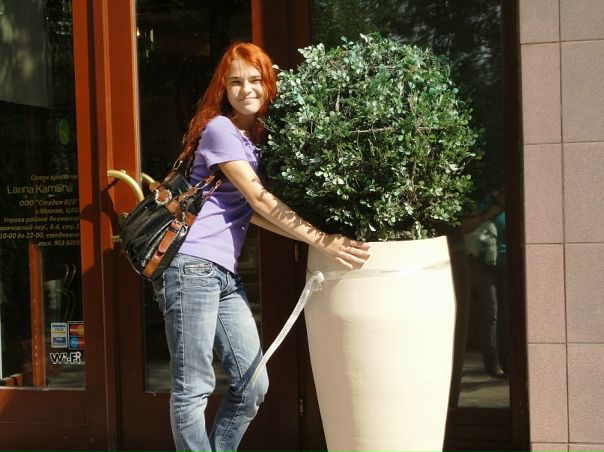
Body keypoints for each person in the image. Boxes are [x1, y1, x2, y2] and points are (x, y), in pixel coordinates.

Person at [152, 42, 370, 452]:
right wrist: (321, 239)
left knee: (252, 384)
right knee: (193, 386)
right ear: (223, 88)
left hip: (222, 272)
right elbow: (258, 198)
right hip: (191, 266)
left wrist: (313, 241)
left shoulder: (252, 139)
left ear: (269, 84)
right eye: (235, 82)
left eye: (255, 80)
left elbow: (251, 213)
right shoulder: (220, 129)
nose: (246, 89)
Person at [462, 185, 508, 378]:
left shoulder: (521, 205)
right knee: (491, 314)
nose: (505, 196)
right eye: (502, 192)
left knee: (508, 314)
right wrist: (488, 214)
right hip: (483, 265)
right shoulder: (488, 203)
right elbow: (465, 226)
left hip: (510, 265)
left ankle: (508, 362)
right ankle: (493, 364)